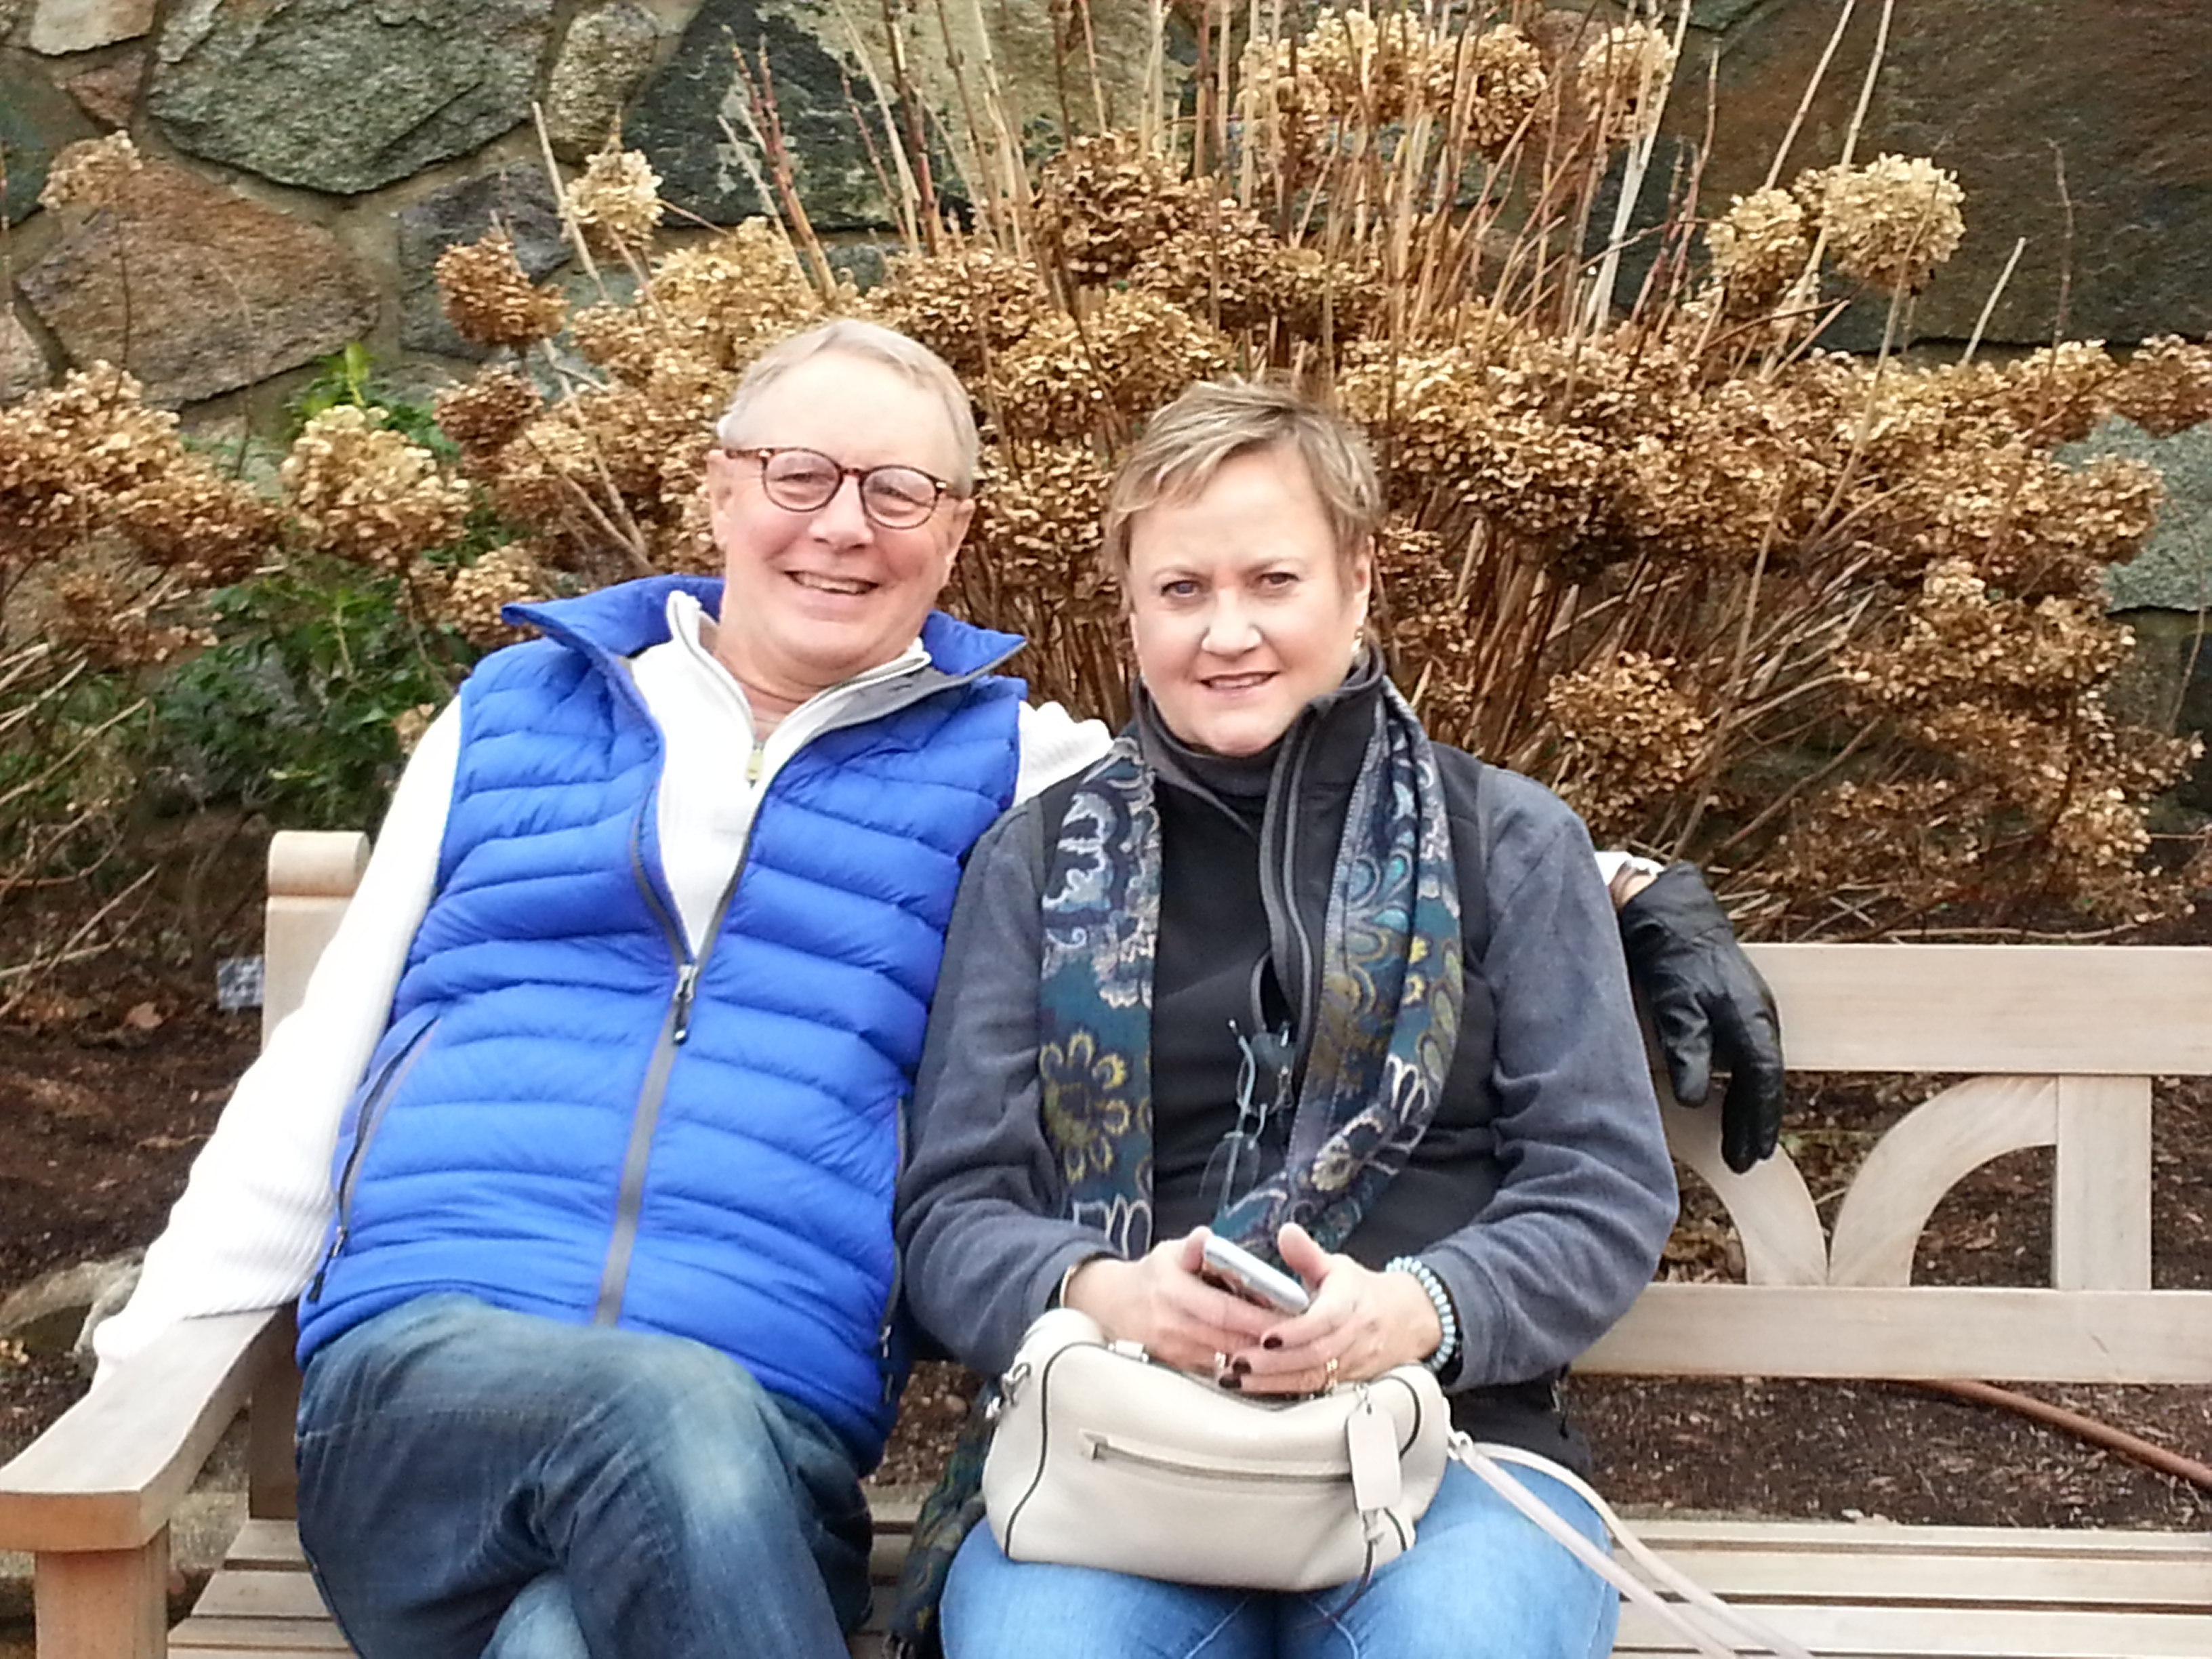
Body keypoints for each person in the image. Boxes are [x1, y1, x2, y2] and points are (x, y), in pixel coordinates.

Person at [89, 323, 1773, 1659]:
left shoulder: (1032, 770)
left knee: (560, 1642)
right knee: (739, 1471)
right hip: (595, 1373)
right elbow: (328, 1056)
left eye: (897, 491)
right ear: (717, 491)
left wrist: (1623, 894)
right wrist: (148, 1375)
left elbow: (1359, 841)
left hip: (1385, 1442)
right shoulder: (554, 719)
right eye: (799, 475)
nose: (842, 524)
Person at [895, 378, 1679, 1659]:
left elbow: (1601, 1185)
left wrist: (1419, 1310)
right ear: (1131, 609)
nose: (1228, 632)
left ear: (1358, 580)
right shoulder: (1034, 865)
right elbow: (955, 1208)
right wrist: (1106, 1295)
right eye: (1181, 590)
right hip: (1119, 1448)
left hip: (1450, 1447)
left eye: (1273, 581)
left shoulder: (1510, 845)